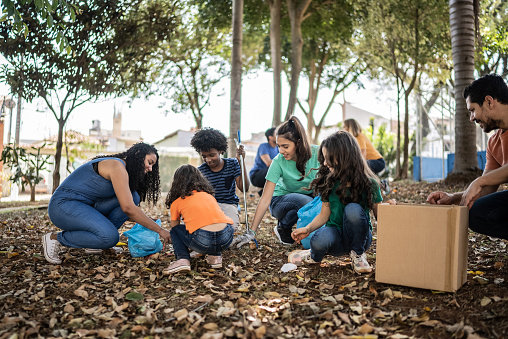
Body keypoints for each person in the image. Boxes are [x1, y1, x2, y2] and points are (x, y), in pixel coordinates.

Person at [43, 142, 171, 264]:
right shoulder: (117, 167)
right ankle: (55, 238)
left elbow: (126, 209)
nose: (150, 169)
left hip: (87, 207)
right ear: (138, 154)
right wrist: (160, 230)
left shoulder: (124, 171)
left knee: (134, 197)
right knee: (110, 238)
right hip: (62, 206)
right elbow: (127, 208)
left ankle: (95, 244)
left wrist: (148, 222)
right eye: (150, 162)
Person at [287, 131, 383, 274]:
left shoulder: (370, 184)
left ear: (343, 157)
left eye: (328, 158)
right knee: (319, 240)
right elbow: (323, 216)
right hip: (336, 237)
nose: (325, 163)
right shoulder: (330, 183)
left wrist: (391, 210)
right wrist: (307, 229)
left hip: (360, 239)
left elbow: (381, 217)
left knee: (352, 209)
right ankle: (313, 255)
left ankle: (358, 255)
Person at [427, 73, 508, 241]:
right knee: (476, 212)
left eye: (472, 110)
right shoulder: (494, 142)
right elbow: (487, 187)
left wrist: (478, 181)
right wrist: (454, 198)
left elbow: (482, 182)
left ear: (489, 102)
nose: (472, 118)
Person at [232, 116, 320, 247]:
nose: (280, 151)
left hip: (308, 197)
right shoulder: (279, 160)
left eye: (285, 146)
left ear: (299, 142)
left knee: (318, 201)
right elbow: (265, 199)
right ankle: (283, 227)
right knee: (307, 203)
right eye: (278, 146)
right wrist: (251, 232)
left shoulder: (317, 153)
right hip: (279, 201)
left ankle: (310, 233)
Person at [163, 164, 234, 274]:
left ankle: (182, 260)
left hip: (203, 240)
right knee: (214, 223)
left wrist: (188, 244)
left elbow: (174, 228)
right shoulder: (208, 196)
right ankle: (215, 258)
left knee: (176, 230)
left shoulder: (177, 202)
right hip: (226, 238)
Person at [190, 127, 249, 231]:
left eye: (212, 155)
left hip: (228, 205)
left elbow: (244, 188)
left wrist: (241, 161)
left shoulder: (233, 164)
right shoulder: (200, 171)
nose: (208, 160)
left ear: (221, 151)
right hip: (209, 206)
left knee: (230, 228)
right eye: (204, 156)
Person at [249, 127, 279, 196]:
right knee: (274, 168)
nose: (279, 135)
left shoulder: (278, 148)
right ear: (270, 137)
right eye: (276, 134)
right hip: (256, 176)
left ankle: (263, 192)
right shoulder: (263, 146)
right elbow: (269, 163)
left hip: (268, 174)